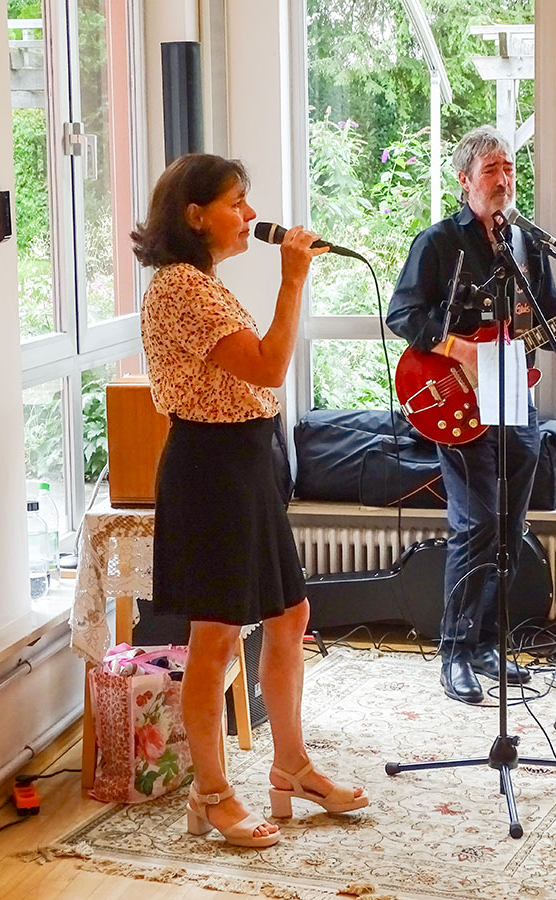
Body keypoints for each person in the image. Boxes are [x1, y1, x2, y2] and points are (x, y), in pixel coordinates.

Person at [133, 153, 368, 849]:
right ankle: (211, 794)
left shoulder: (204, 284)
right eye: (237, 202)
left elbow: (256, 376)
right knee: (216, 638)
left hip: (245, 461)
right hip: (211, 469)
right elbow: (267, 364)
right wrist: (293, 277)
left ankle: (291, 767)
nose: (249, 214)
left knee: (290, 614)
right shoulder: (181, 288)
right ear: (195, 215)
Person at [387, 126, 556, 705]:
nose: (504, 179)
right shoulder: (437, 242)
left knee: (510, 530)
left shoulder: (526, 242)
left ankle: (489, 640)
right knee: (476, 524)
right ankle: (454, 650)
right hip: (456, 397)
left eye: (509, 168)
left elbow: (550, 319)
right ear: (465, 180)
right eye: (491, 170)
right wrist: (457, 347)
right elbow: (403, 315)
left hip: (516, 398)